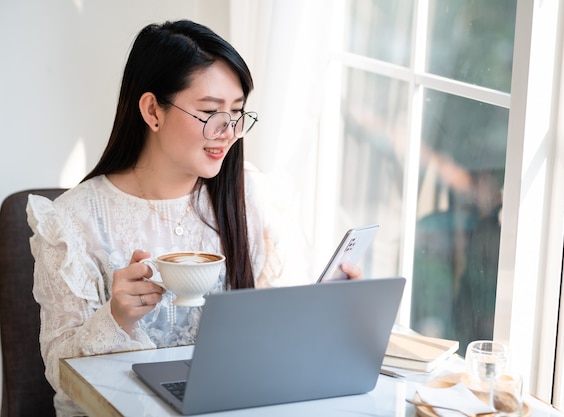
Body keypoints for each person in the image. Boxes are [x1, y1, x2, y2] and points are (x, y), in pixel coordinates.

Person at [26, 20, 361, 417]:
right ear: (152, 110)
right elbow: (58, 371)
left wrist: (335, 310)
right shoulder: (71, 222)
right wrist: (115, 317)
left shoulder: (253, 196)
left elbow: (280, 332)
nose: (228, 132)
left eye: (236, 113)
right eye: (209, 112)